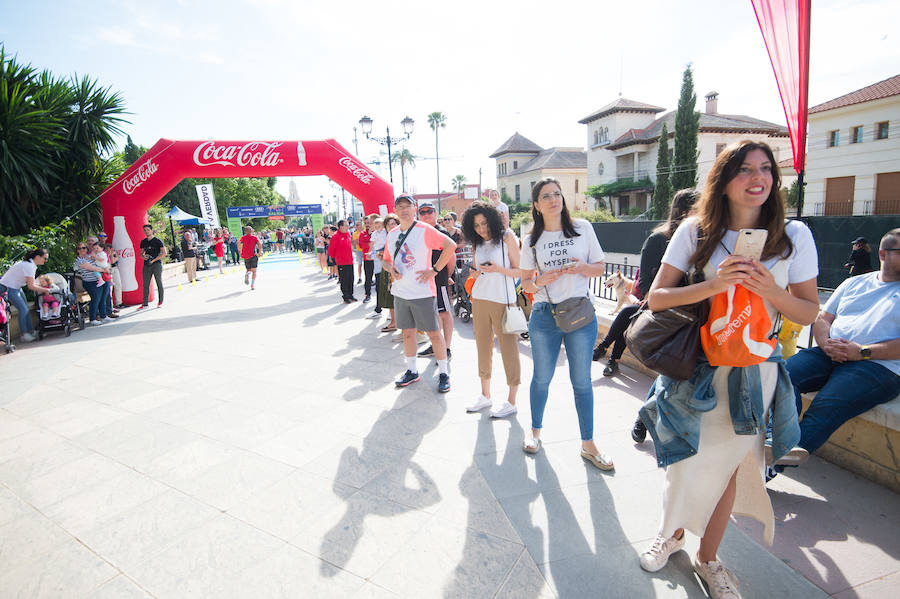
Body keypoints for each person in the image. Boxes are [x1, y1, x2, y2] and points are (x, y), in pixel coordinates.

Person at [637, 141, 819, 599]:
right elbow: (656, 299)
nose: (757, 178)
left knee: (732, 471)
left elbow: (809, 312)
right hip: (697, 366)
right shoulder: (696, 231)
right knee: (685, 461)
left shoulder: (794, 236)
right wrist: (716, 284)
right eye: (744, 170)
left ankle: (709, 557)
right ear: (723, 179)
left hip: (756, 372)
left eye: (765, 169)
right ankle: (673, 534)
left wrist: (770, 290)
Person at [782, 228, 900, 468]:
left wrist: (863, 351)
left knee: (826, 406)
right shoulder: (854, 282)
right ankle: (778, 445)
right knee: (779, 377)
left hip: (877, 365)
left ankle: (773, 465)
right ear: (883, 254)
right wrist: (825, 343)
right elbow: (823, 318)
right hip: (828, 353)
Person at [520, 178, 612, 470]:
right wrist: (538, 281)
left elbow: (600, 267)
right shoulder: (531, 239)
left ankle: (588, 443)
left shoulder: (583, 228)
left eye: (557, 194)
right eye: (546, 196)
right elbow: (525, 284)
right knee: (542, 377)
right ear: (536, 205)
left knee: (582, 381)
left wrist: (583, 268)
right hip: (545, 314)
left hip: (580, 313)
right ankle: (535, 432)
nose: (553, 199)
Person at [594, 189, 698, 444]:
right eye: (699, 209)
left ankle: (606, 351)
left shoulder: (704, 240)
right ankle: (645, 416)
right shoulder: (658, 240)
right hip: (665, 316)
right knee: (673, 374)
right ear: (684, 211)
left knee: (676, 376)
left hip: (698, 318)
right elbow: (648, 287)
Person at [382, 194, 457, 393]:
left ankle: (443, 372)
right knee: (407, 333)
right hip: (401, 293)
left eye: (408, 206)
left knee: (434, 334)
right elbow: (386, 260)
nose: (404, 210)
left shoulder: (424, 229)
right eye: (400, 206)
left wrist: (435, 269)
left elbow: (450, 246)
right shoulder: (392, 234)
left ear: (414, 209)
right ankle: (412, 370)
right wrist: (391, 269)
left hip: (423, 293)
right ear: (395, 210)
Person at [461, 202, 522, 418]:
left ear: (492, 219)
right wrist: (477, 274)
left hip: (503, 300)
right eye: (476, 225)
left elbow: (522, 271)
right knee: (482, 347)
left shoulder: (507, 237)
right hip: (480, 298)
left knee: (508, 349)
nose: (481, 228)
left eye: (484, 223)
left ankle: (511, 400)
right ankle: (485, 395)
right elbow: (479, 270)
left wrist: (498, 269)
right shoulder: (477, 243)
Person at [415, 201, 455, 360]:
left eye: (429, 211)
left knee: (444, 313)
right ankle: (436, 345)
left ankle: (446, 348)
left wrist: (447, 276)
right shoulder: (420, 232)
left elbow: (451, 259)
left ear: (435, 213)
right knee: (434, 315)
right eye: (423, 212)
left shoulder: (441, 232)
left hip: (439, 280)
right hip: (426, 281)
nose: (426, 214)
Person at [0, 248, 54, 341]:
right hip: (8, 288)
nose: (46, 261)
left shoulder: (29, 264)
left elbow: (30, 282)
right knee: (23, 309)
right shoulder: (29, 266)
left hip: (16, 287)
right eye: (44, 258)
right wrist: (45, 290)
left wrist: (42, 288)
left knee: (26, 308)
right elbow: (31, 286)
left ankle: (31, 332)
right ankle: (24, 334)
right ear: (37, 257)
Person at [75, 242, 112, 323]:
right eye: (79, 248)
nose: (82, 250)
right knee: (95, 299)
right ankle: (93, 319)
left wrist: (107, 267)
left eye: (84, 248)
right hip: (90, 282)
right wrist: (104, 270)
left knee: (103, 298)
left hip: (102, 279)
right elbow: (91, 268)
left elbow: (106, 262)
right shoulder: (79, 260)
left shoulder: (92, 256)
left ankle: (103, 316)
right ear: (77, 250)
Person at [377, 214, 400, 332]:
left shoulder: (400, 237)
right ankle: (394, 321)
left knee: (397, 298)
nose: (391, 226)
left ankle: (398, 323)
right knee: (389, 297)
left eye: (393, 223)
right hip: (387, 269)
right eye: (388, 224)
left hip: (397, 271)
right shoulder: (389, 238)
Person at [139, 224, 166, 309]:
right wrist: (144, 257)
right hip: (146, 265)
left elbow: (164, 253)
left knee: (159, 283)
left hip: (156, 264)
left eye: (148, 230)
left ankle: (160, 302)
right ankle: (145, 304)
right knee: (145, 284)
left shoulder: (157, 240)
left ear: (151, 230)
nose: (146, 231)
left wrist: (154, 260)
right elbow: (141, 254)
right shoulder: (143, 242)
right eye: (145, 230)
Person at [328, 220, 356, 303]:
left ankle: (351, 295)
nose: (348, 227)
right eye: (346, 225)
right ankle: (346, 296)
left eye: (348, 225)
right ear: (340, 227)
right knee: (344, 280)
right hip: (341, 262)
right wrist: (335, 258)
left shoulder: (347, 234)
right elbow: (331, 250)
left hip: (350, 261)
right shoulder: (335, 236)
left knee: (351, 279)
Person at [368, 217, 387, 318]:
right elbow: (371, 244)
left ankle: (391, 312)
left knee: (390, 287)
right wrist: (371, 252)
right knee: (379, 285)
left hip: (387, 258)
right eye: (375, 225)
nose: (377, 227)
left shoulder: (387, 232)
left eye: (379, 225)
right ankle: (378, 309)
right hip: (378, 258)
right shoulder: (374, 234)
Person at [239, 226, 261, 290]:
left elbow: (238, 242)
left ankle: (248, 273)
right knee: (254, 271)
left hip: (246, 256)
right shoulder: (254, 237)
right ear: (251, 231)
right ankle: (252, 285)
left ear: (245, 231)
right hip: (253, 255)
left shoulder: (243, 237)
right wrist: (259, 252)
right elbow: (260, 244)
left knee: (248, 269)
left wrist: (239, 251)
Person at [359, 216, 374, 303]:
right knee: (368, 278)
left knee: (379, 279)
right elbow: (361, 245)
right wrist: (371, 243)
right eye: (365, 223)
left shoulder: (376, 232)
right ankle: (367, 295)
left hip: (377, 260)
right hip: (367, 259)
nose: (367, 225)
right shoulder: (362, 233)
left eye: (369, 223)